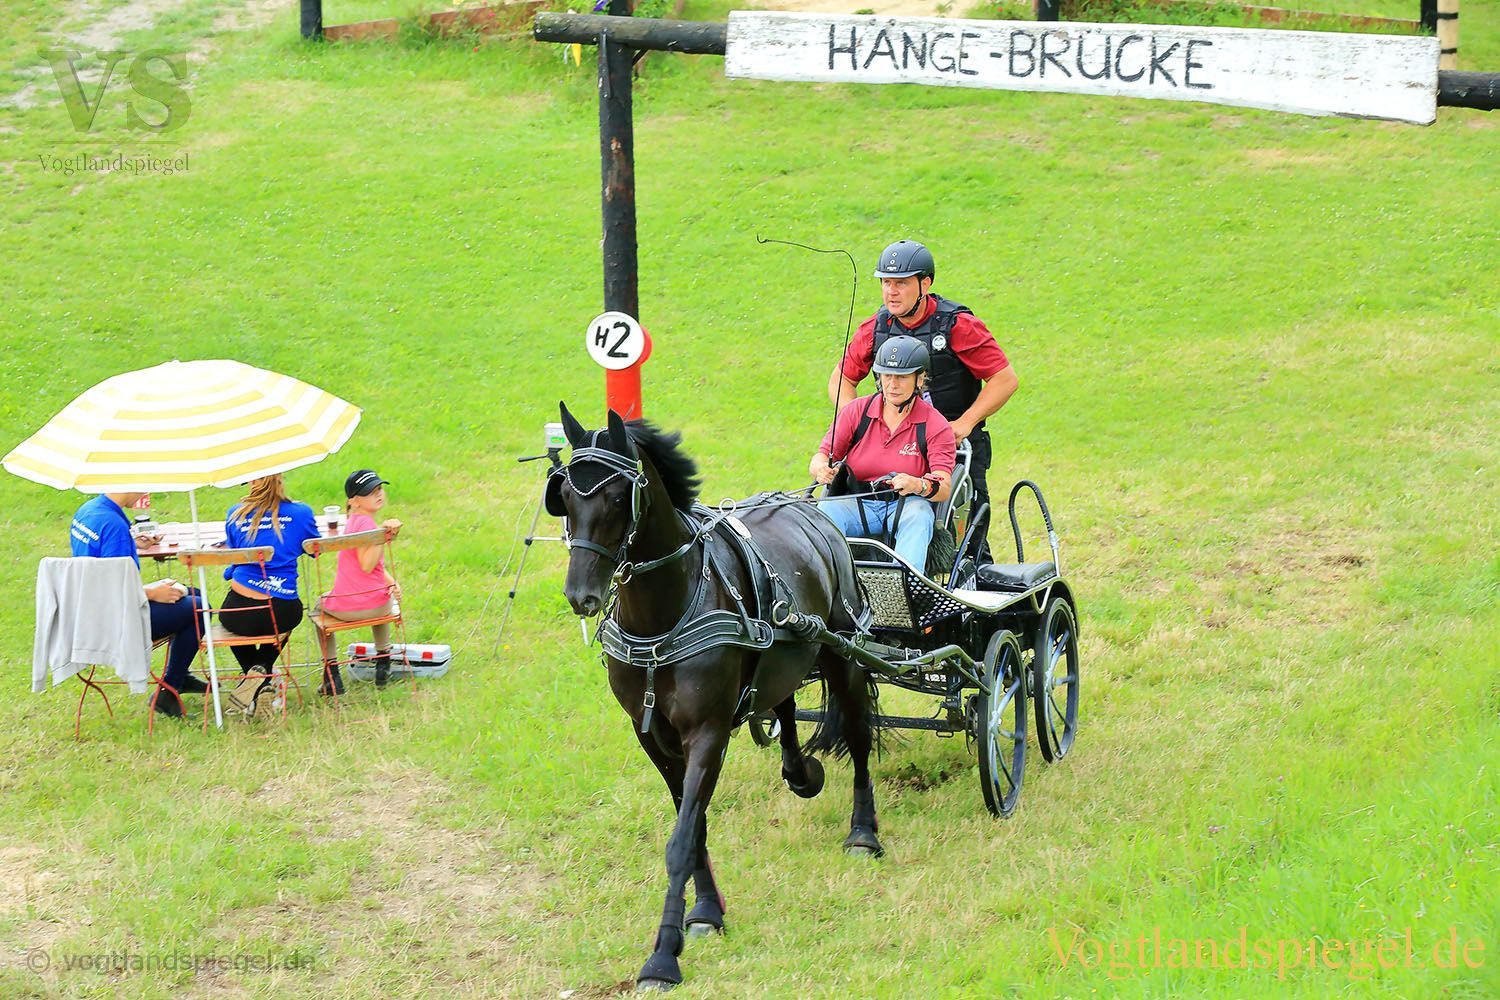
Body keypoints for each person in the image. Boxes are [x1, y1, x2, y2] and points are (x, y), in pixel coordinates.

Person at [828, 239, 1017, 560]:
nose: (891, 292)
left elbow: (1004, 379)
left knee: (964, 541)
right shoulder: (875, 327)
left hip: (955, 448)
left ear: (925, 283)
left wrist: (965, 423)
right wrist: (857, 423)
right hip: (891, 445)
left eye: (901, 283)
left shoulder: (958, 326)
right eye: (886, 283)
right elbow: (842, 379)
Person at [810, 336, 955, 569]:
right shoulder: (856, 412)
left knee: (919, 516)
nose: (892, 384)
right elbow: (821, 456)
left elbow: (944, 485)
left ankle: (907, 587)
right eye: (887, 375)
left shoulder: (935, 424)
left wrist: (918, 485)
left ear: (920, 379)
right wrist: (820, 468)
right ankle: (828, 584)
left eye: (902, 377)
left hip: (907, 505)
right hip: (858, 502)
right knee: (825, 510)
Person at [69, 491, 207, 718]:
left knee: (194, 595)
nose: (145, 492)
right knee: (198, 609)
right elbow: (115, 587)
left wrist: (131, 544)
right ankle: (168, 692)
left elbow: (99, 566)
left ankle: (180, 676)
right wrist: (152, 593)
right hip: (116, 619)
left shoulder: (89, 511)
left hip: (90, 609)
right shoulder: (114, 526)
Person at [218, 474, 321, 715]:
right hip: (280, 609)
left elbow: (234, 556)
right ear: (280, 479)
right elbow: (315, 550)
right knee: (286, 619)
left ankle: (256, 679)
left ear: (251, 483)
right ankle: (262, 670)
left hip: (239, 611)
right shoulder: (301, 513)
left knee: (231, 626)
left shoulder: (236, 514)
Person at [311, 469, 404, 693]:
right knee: (380, 596)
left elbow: (367, 565)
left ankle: (332, 675)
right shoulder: (366, 525)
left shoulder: (356, 522)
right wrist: (382, 537)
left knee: (317, 606)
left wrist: (390, 578)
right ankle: (384, 664)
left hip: (354, 607)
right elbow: (369, 565)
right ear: (354, 500)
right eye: (370, 492)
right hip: (378, 606)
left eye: (379, 489)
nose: (379, 494)